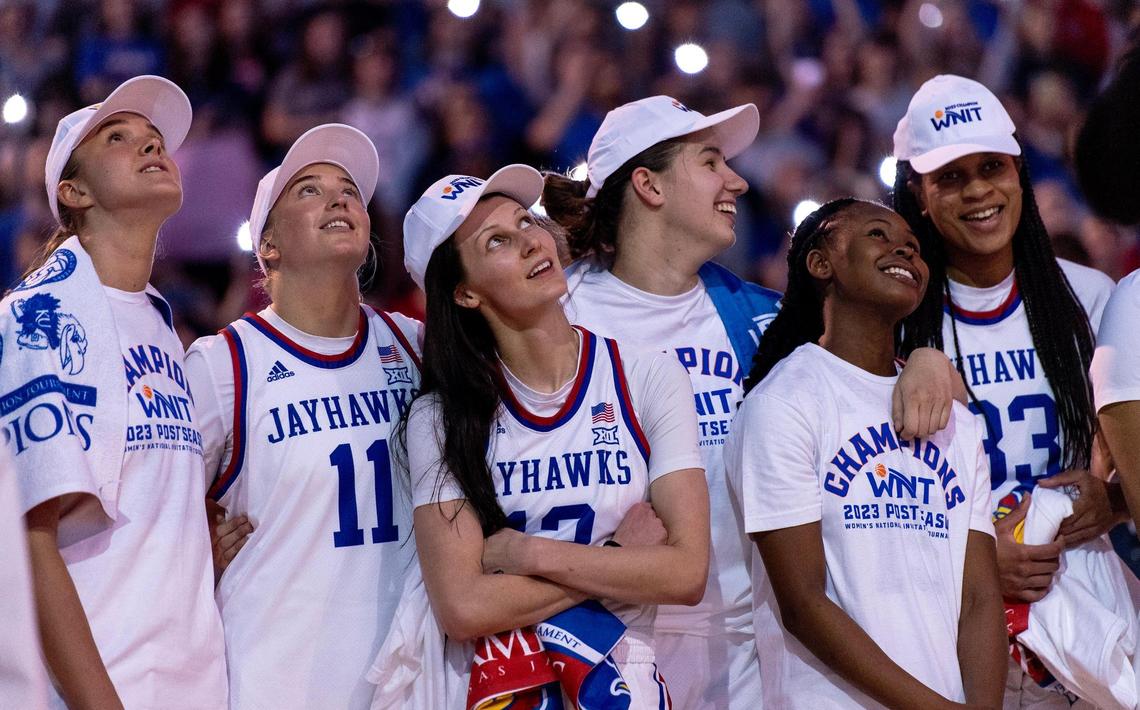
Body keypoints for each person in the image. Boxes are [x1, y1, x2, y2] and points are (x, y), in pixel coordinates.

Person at [543, 94, 962, 709]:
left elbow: (863, 375)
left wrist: (927, 360)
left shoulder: (762, 320)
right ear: (648, 184)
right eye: (711, 161)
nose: (737, 180)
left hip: (747, 651)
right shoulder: (559, 319)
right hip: (603, 639)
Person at [400, 163, 710, 707]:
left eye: (526, 222)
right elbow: (464, 609)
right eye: (497, 240)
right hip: (503, 688)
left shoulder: (648, 375)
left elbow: (686, 573)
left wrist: (529, 554)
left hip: (622, 681)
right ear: (465, 294)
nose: (529, 242)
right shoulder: (440, 416)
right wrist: (617, 558)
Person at [891, 74, 1126, 707]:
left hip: (1089, 612)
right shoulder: (893, 320)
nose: (977, 192)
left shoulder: (1093, 298)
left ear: (1019, 170)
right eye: (950, 177)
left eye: (991, 167)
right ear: (917, 193)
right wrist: (974, 559)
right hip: (951, 623)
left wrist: (1116, 502)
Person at [0, 75, 227, 708]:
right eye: (119, 138)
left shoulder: (159, 324)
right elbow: (26, 536)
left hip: (193, 685)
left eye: (155, 138)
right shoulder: (37, 318)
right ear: (73, 192)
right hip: (99, 691)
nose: (151, 145)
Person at [726, 198, 1005, 708]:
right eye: (878, 234)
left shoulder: (957, 422)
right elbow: (804, 603)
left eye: (915, 248)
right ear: (821, 263)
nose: (905, 248)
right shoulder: (783, 402)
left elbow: (980, 599)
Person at [185, 124, 422, 709]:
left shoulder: (418, 346)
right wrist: (190, 552)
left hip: (412, 681)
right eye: (309, 191)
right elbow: (154, 513)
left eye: (348, 190)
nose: (339, 197)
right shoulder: (224, 366)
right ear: (268, 245)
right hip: (279, 681)